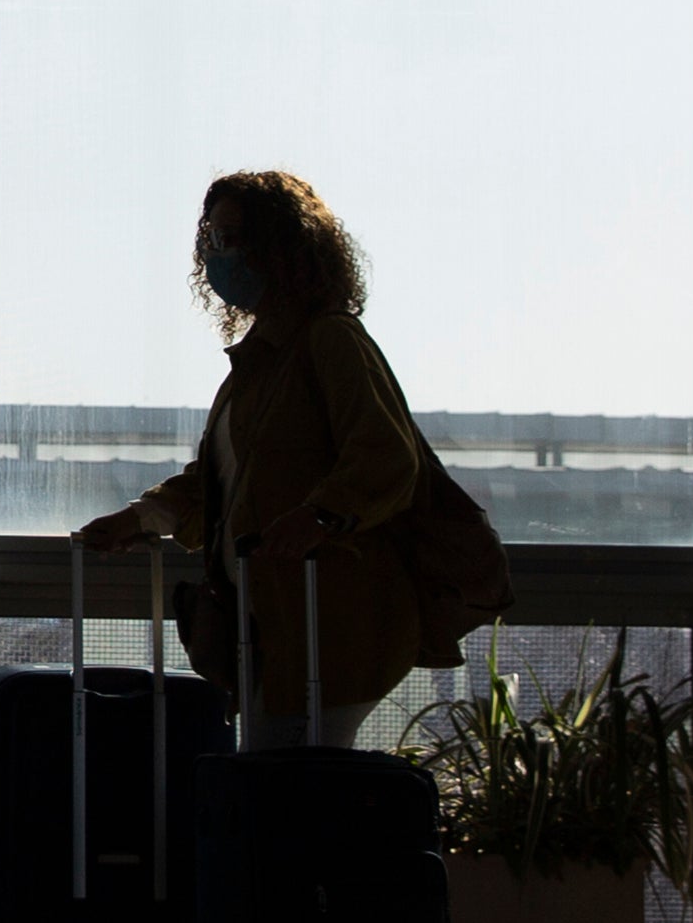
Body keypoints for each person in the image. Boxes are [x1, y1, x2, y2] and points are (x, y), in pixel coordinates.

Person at [70, 170, 501, 752]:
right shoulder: (259, 365)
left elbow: (385, 456)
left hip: (330, 623)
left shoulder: (330, 341)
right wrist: (143, 517)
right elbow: (221, 480)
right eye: (211, 239)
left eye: (231, 238)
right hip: (274, 624)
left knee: (290, 795)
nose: (217, 255)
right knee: (283, 795)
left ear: (282, 246)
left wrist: (318, 518)